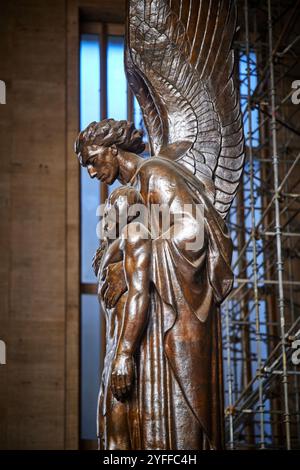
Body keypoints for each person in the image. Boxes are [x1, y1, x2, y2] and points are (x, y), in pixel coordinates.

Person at [76, 118, 233, 450]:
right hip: (151, 317)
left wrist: (138, 260)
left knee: (173, 430)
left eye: (92, 160)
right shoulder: (132, 192)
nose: (91, 173)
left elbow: (193, 234)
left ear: (113, 149)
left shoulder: (154, 173)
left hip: (175, 316)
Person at [93, 185, 151, 449]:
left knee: (121, 440)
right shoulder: (113, 248)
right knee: (108, 437)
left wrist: (124, 355)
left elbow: (140, 293)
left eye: (118, 206)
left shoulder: (134, 235)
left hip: (126, 354)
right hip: (112, 354)